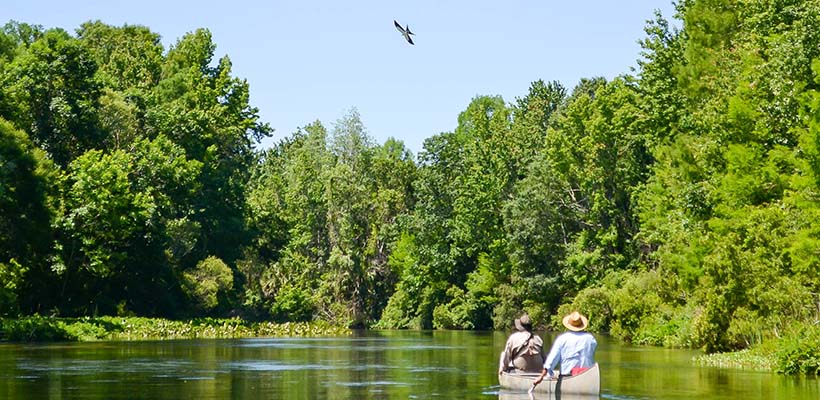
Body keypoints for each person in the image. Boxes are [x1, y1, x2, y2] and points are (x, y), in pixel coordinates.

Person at [533, 311, 597, 386]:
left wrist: (541, 376)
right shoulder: (591, 339)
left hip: (567, 376)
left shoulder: (562, 339)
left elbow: (552, 360)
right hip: (587, 376)